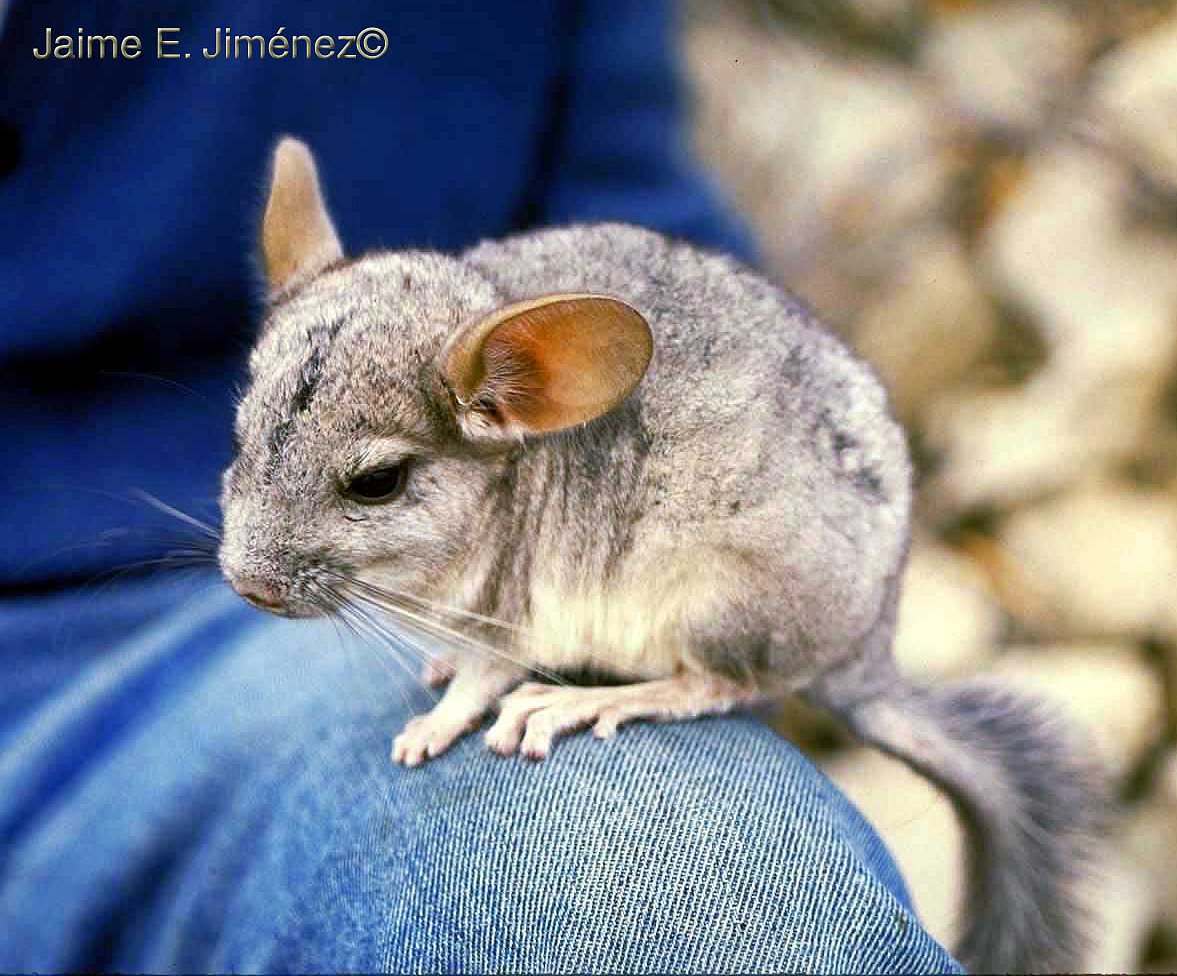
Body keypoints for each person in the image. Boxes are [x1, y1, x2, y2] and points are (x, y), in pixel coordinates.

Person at [0, 2, 962, 971]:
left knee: (666, 880)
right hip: (94, 612)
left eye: (372, 479)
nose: (244, 567)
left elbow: (675, 308)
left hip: (255, 631)